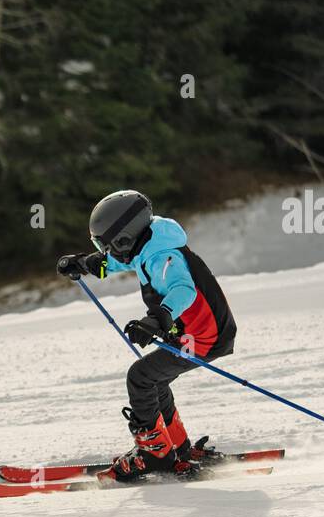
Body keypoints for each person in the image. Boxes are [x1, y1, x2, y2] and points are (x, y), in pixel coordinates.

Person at [57, 190, 237, 481]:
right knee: (155, 380)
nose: (105, 251)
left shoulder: (163, 258)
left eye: (105, 244)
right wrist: (87, 264)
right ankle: (176, 447)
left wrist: (157, 319)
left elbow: (183, 290)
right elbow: (120, 262)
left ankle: (154, 454)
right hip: (197, 332)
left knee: (140, 377)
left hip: (205, 336)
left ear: (124, 237)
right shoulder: (150, 245)